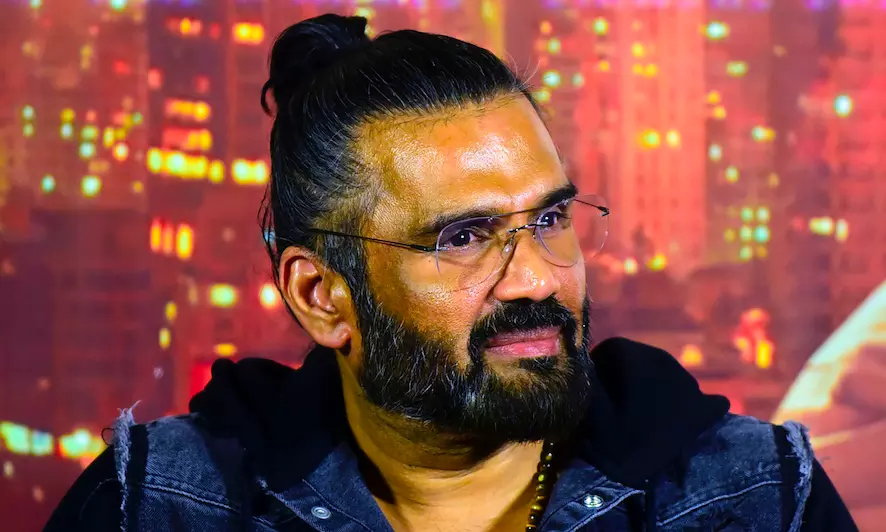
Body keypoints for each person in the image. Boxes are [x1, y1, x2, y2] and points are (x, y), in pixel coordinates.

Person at [46, 14, 857, 532]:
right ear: (321, 297)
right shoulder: (157, 506)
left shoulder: (754, 499)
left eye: (549, 220)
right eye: (464, 237)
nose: (536, 280)